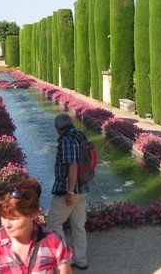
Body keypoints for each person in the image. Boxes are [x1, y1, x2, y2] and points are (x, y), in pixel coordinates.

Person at [0, 178, 73, 273]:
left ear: (32, 215)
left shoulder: (54, 242)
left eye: (13, 218)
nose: (6, 224)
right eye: (3, 217)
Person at [46, 113, 89, 271]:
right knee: (78, 225)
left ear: (58, 128)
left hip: (69, 190)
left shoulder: (67, 139)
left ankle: (65, 259)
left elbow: (73, 166)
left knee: (53, 222)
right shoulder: (80, 134)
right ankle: (81, 259)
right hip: (83, 188)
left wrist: (69, 192)